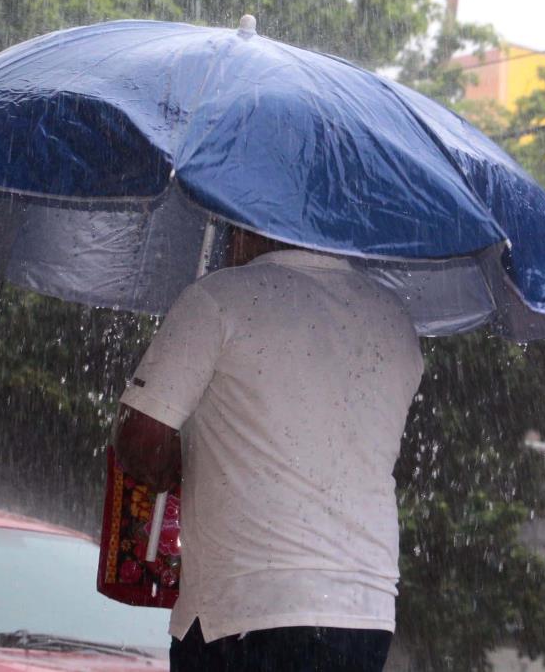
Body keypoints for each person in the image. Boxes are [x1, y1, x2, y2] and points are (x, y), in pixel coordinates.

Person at [113, 226, 424, 672]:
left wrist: (177, 467)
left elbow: (138, 438)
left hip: (244, 608)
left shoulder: (220, 298)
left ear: (245, 224)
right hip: (363, 613)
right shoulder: (393, 319)